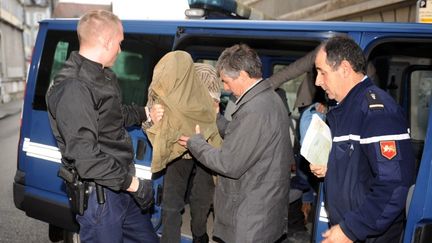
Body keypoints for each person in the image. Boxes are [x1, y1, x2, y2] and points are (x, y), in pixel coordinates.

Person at [45, 10, 161, 243]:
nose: (120, 49)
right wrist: (134, 185)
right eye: (119, 43)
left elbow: (112, 115)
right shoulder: (74, 87)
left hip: (119, 186)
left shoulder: (103, 75)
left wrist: (145, 113)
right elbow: (86, 158)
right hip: (100, 198)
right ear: (107, 41)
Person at [178, 44, 294, 243]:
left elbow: (228, 163)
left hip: (250, 221)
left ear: (242, 75)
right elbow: (244, 137)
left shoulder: (255, 110)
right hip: (263, 214)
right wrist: (217, 119)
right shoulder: (269, 99)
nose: (225, 87)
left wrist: (195, 143)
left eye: (226, 81)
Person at [310, 36, 415, 243]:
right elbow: (361, 167)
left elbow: (394, 185)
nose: (317, 81)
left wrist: (352, 229)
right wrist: (332, 167)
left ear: (345, 69)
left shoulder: (376, 112)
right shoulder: (345, 109)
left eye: (322, 72)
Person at [143, 57, 219, 243]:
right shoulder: (165, 88)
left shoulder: (206, 75)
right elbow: (148, 124)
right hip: (179, 150)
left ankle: (199, 234)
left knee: (200, 200)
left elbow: (214, 111)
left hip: (204, 145)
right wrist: (155, 120)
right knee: (171, 203)